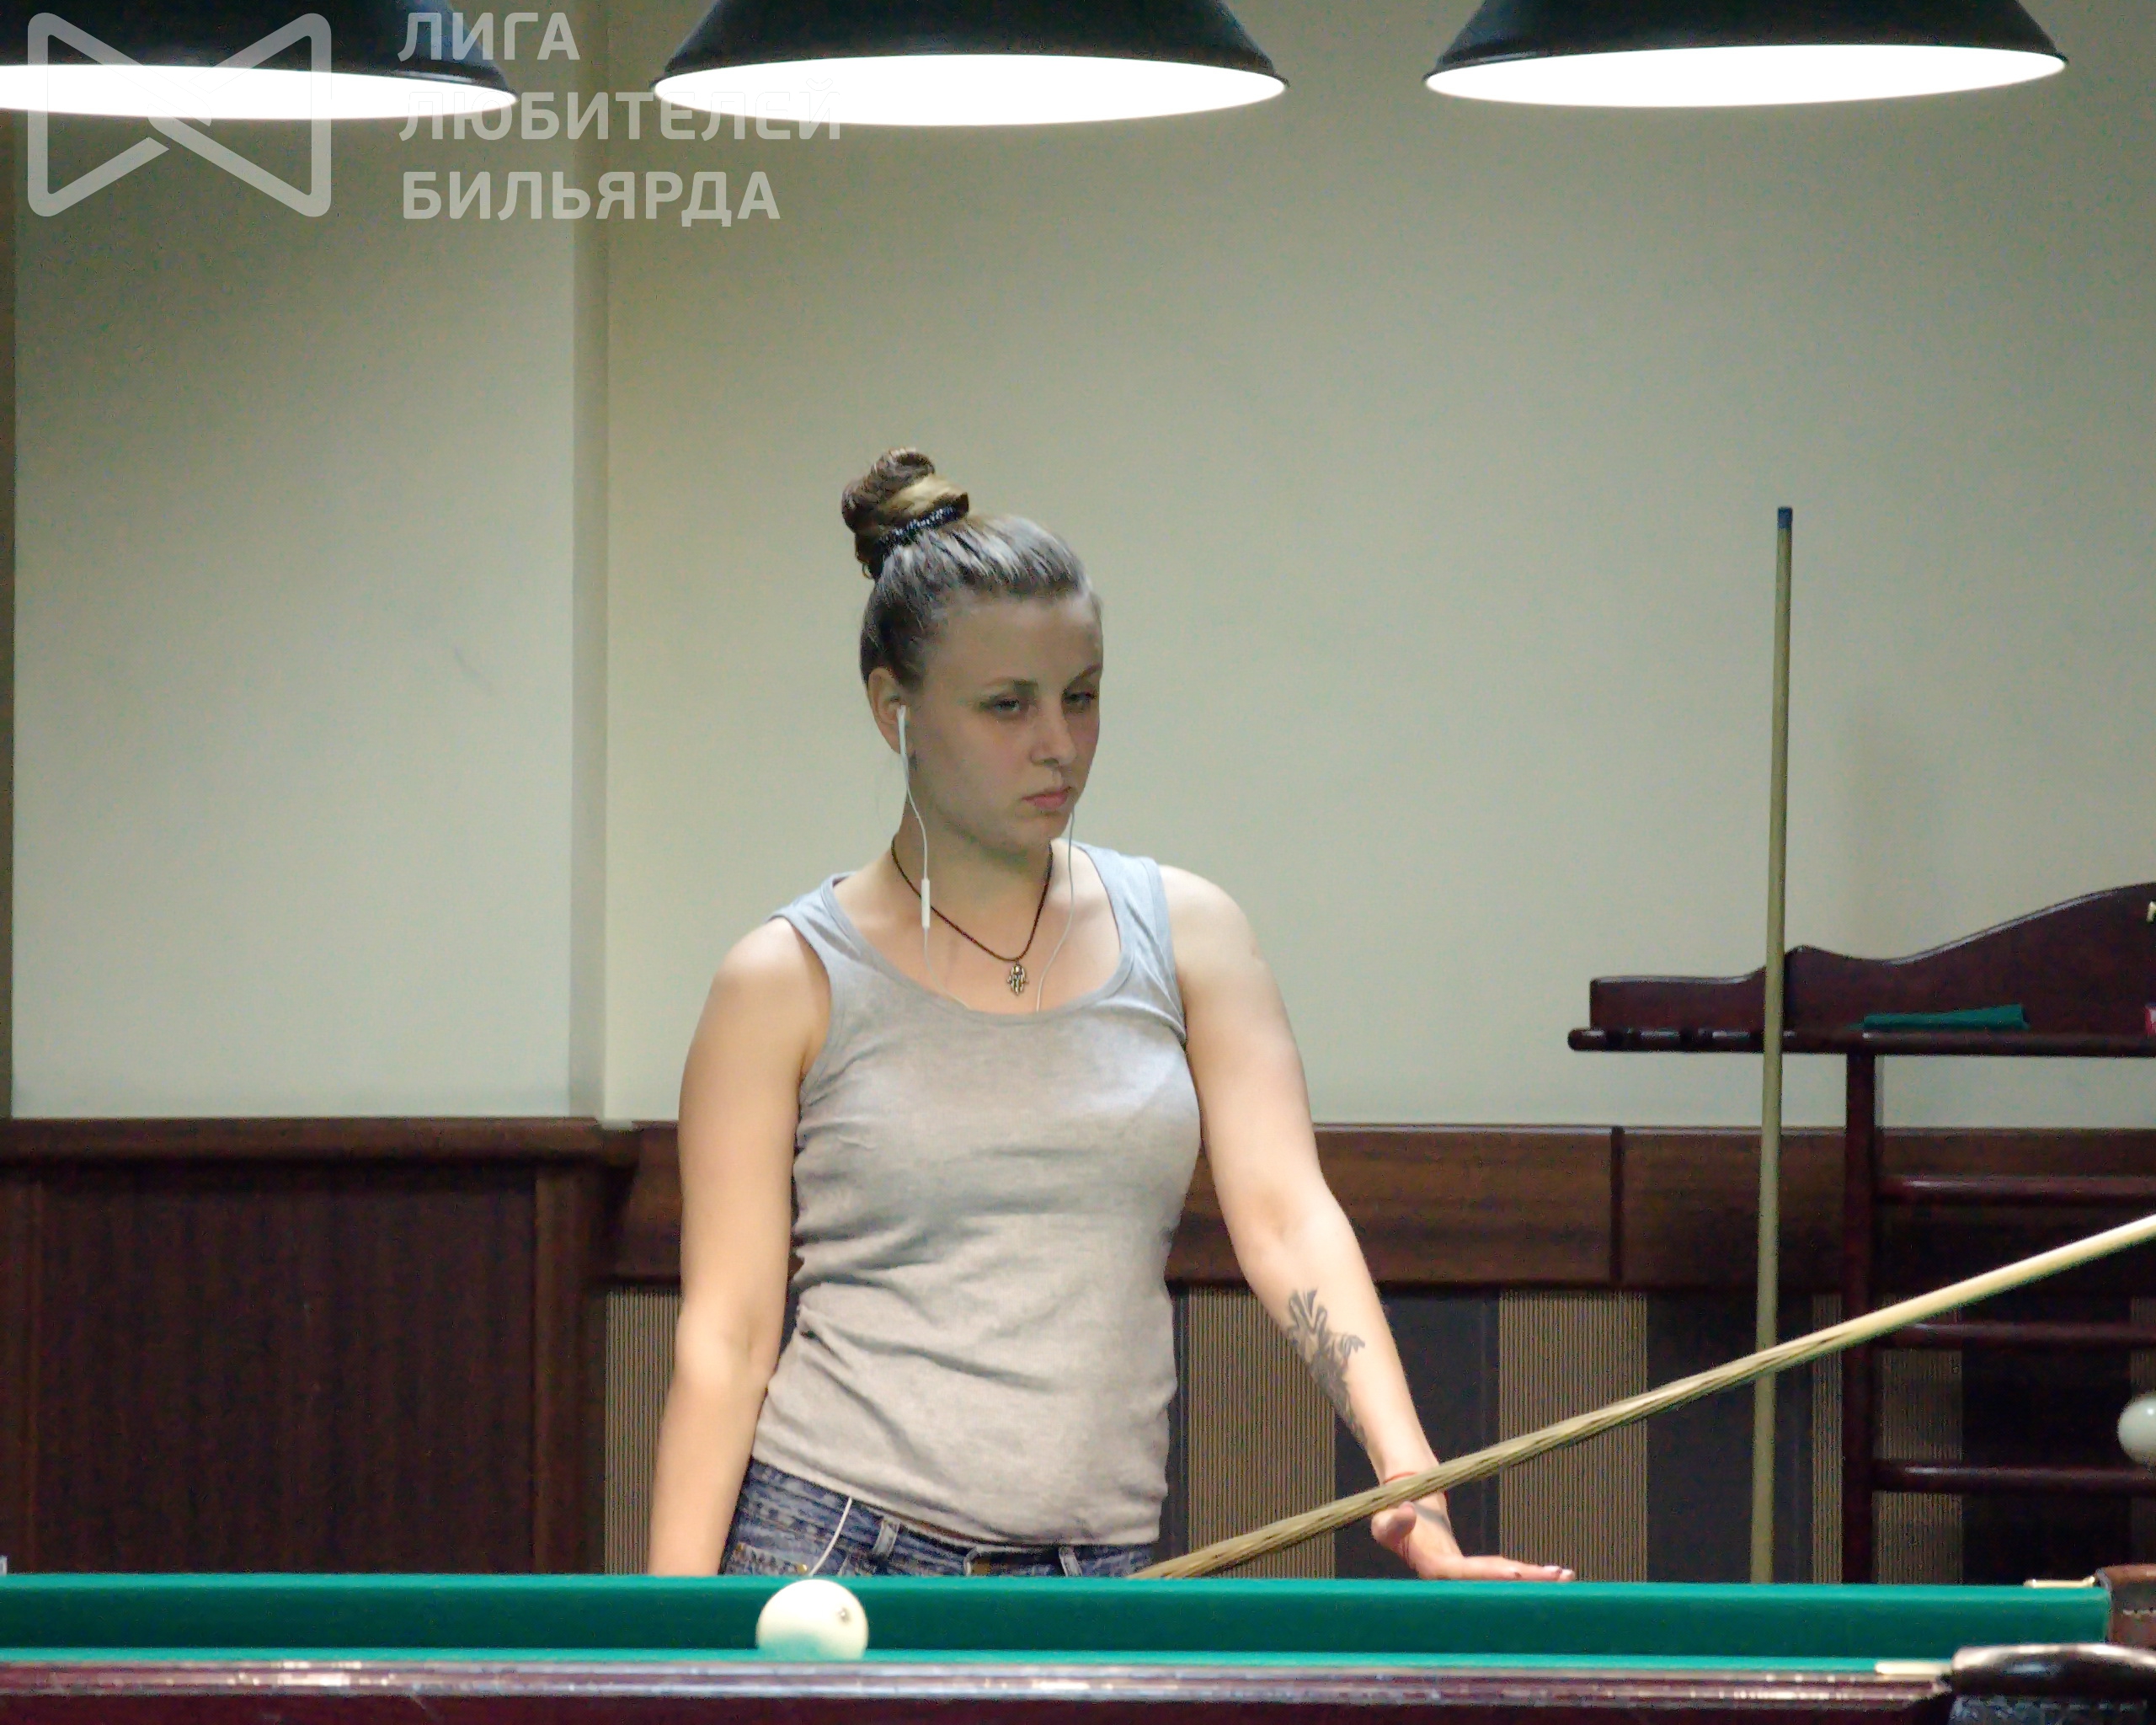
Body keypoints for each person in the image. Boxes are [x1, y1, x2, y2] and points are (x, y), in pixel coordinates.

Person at [646, 449, 1572, 1583]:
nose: (1058, 742)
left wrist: (1409, 1481)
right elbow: (728, 1338)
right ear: (895, 710)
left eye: (1080, 696)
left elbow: (1288, 1217)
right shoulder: (783, 979)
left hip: (1100, 1569)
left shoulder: (1191, 934)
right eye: (1007, 705)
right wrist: (670, 1641)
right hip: (832, 1552)